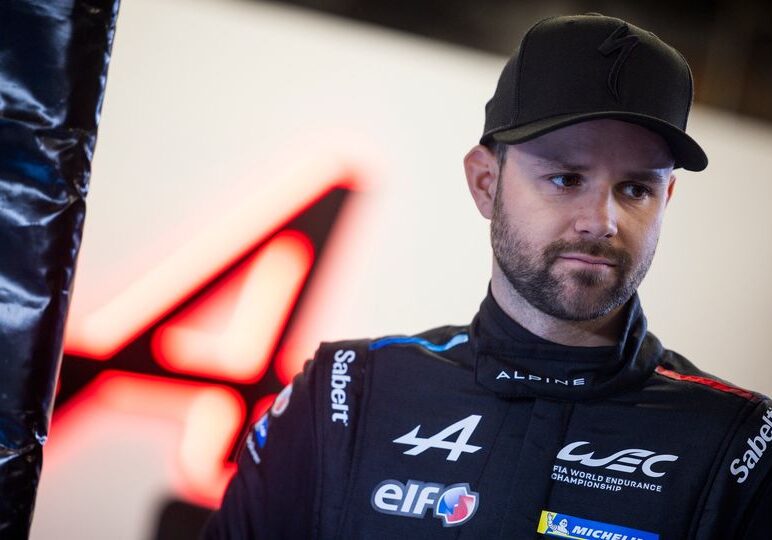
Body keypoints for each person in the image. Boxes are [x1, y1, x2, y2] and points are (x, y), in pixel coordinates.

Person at [203, 13, 772, 539]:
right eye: (566, 178)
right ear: (485, 183)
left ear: (666, 197)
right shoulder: (344, 395)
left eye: (636, 188)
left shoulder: (739, 445)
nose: (602, 221)